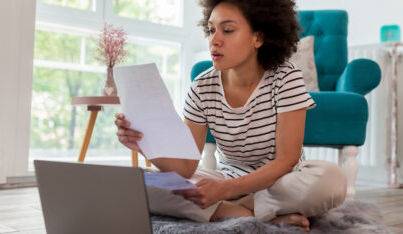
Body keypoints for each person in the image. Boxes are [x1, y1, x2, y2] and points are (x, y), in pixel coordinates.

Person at [115, 0, 346, 231]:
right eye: (211, 29)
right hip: (225, 178)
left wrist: (224, 192)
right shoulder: (202, 86)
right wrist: (146, 144)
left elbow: (286, 161)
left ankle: (231, 209)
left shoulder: (286, 77)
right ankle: (257, 215)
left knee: (331, 179)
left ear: (258, 38)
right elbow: (185, 166)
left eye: (227, 30)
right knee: (140, 181)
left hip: (279, 184)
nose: (214, 40)